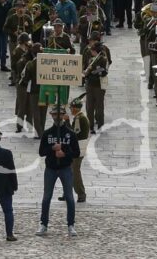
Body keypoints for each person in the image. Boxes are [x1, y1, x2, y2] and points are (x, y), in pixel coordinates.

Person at [37, 105, 80, 238]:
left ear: (63, 116)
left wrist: (65, 153)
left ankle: (71, 224)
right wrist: (52, 148)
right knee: (46, 197)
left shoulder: (70, 134)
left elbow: (76, 152)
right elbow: (41, 152)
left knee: (69, 197)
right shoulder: (47, 133)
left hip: (65, 168)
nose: (57, 117)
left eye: (60, 114)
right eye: (55, 115)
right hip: (50, 168)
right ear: (51, 115)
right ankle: (43, 223)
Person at [65, 98, 90, 203]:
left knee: (75, 172)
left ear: (75, 108)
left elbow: (74, 133)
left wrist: (66, 121)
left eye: (71, 108)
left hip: (78, 148)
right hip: (79, 147)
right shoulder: (81, 117)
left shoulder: (79, 118)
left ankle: (81, 194)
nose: (71, 110)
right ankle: (67, 193)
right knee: (69, 171)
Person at [83, 42, 108, 131]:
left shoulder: (103, 59)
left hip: (99, 85)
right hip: (89, 85)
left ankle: (100, 124)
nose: (91, 52)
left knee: (99, 107)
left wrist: (94, 71)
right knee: (89, 107)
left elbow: (104, 71)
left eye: (92, 51)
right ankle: (90, 125)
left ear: (95, 51)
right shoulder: (91, 59)